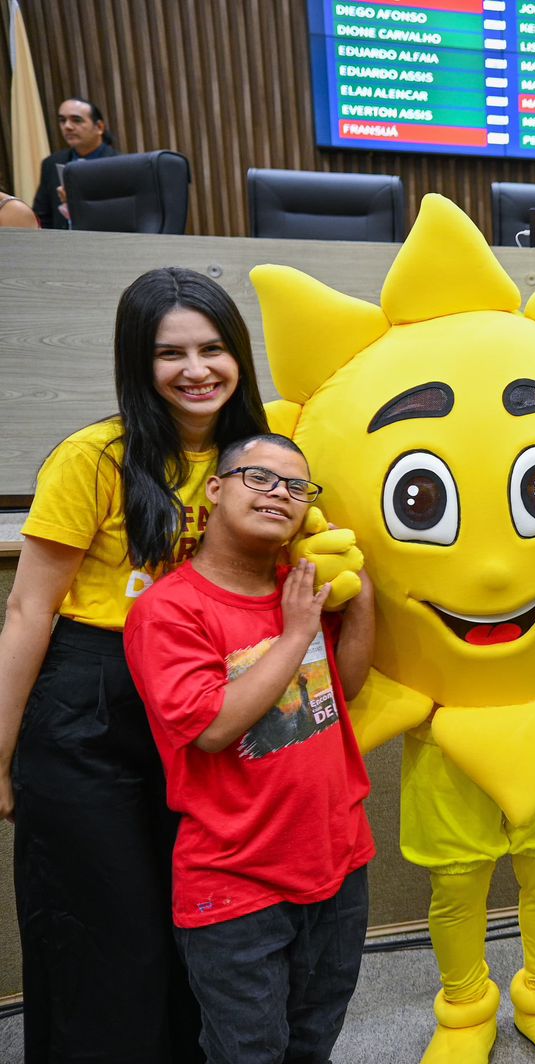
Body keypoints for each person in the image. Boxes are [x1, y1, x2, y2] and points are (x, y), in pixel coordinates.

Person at [1, 267, 269, 1062]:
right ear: (136, 363)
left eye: (213, 348)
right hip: (92, 707)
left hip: (203, 702)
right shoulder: (94, 458)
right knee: (111, 939)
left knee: (198, 924)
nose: (196, 370)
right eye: (169, 353)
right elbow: (28, 611)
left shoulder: (258, 459)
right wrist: (1, 755)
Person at [124, 433, 377, 1064]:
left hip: (338, 858)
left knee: (314, 1038)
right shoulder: (168, 609)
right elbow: (212, 727)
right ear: (216, 489)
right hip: (235, 883)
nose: (280, 495)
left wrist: (362, 597)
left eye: (297, 486)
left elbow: (338, 692)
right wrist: (296, 633)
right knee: (250, 1051)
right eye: (259, 478)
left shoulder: (304, 585)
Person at [33, 96, 118, 229]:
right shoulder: (51, 163)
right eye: (62, 120)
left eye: (76, 120)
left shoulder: (120, 164)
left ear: (99, 127)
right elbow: (42, 216)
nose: (67, 126)